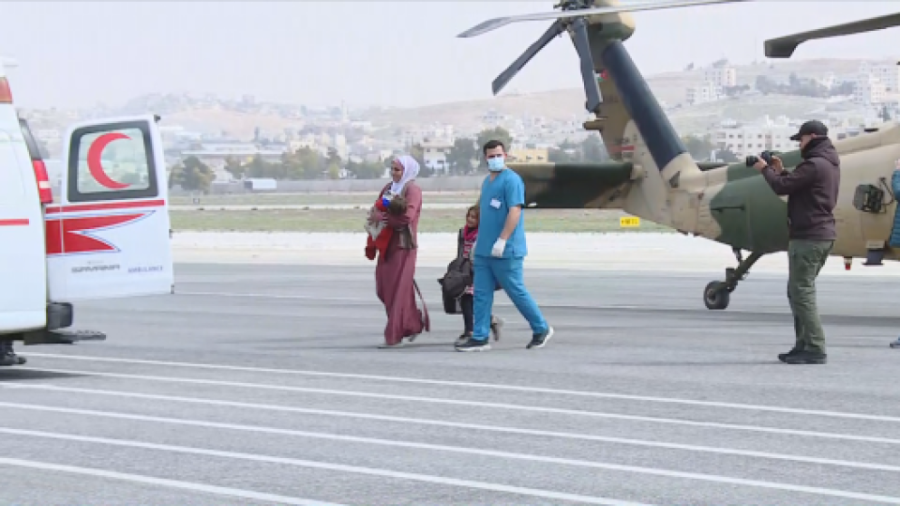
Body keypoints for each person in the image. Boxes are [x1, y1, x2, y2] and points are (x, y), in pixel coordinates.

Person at [752, 119, 840, 365]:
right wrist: (779, 170)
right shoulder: (827, 163)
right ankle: (803, 344)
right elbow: (795, 185)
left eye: (801, 139)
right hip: (819, 235)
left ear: (812, 137)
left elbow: (781, 188)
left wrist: (764, 170)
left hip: (809, 237)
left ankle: (814, 346)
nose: (799, 144)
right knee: (797, 291)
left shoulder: (814, 164)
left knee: (801, 292)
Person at [455, 139, 553, 352]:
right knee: (481, 294)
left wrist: (502, 240)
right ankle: (480, 336)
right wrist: (477, 241)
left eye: (499, 155)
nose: (495, 159)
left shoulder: (512, 180)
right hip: (484, 250)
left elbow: (515, 211)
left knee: (515, 290)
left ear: (505, 156)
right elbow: (485, 213)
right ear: (485, 158)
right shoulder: (487, 182)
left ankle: (541, 327)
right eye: (491, 156)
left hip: (506, 249)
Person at [365, 155, 430, 348]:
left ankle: (393, 336)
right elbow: (376, 209)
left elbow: (407, 217)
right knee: (384, 289)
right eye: (392, 168)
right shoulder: (388, 189)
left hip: (403, 246)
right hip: (386, 244)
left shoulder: (412, 190)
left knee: (398, 291)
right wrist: (376, 217)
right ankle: (412, 324)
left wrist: (385, 220)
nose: (393, 172)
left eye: (397, 169)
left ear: (407, 171)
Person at [454, 205, 503, 346]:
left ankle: (470, 330)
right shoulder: (463, 232)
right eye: (468, 216)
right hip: (465, 270)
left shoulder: (482, 234)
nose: (470, 219)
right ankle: (490, 320)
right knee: (469, 300)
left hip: (477, 270)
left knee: (468, 298)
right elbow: (460, 252)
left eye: (474, 217)